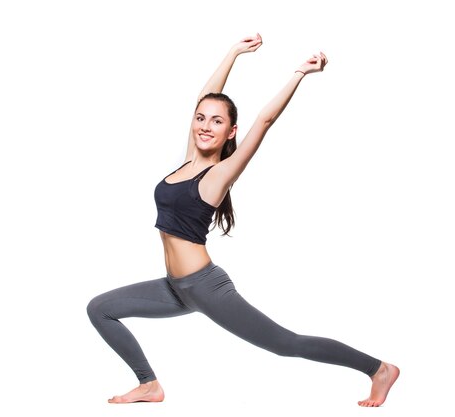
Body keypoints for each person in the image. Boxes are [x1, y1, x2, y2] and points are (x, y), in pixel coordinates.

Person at [87, 33, 399, 407]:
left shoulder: (218, 175)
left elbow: (264, 120)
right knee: (100, 308)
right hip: (174, 288)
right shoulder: (188, 161)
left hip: (205, 288)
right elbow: (205, 97)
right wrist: (233, 53)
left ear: (230, 131)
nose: (205, 125)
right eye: (201, 119)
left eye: (216, 122)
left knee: (286, 344)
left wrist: (299, 73)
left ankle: (378, 369)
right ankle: (149, 385)